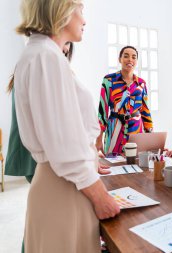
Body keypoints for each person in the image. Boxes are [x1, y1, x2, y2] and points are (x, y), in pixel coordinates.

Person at [13, 1, 120, 252]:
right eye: (80, 9)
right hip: (64, 188)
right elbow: (64, 146)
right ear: (60, 9)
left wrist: (90, 161)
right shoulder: (46, 57)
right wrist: (100, 196)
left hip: (63, 183)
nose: (84, 19)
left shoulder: (42, 54)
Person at [5, 41, 74, 183]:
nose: (66, 49)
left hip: (33, 146)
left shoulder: (31, 63)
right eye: (66, 43)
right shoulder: (39, 65)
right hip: (37, 146)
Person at [96, 46, 153, 156]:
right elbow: (102, 111)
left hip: (136, 131)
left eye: (134, 57)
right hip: (114, 131)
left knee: (137, 166)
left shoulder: (141, 83)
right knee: (113, 165)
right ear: (120, 59)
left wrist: (151, 138)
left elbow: (145, 112)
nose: (130, 59)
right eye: (126, 56)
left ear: (136, 61)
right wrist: (99, 139)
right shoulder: (109, 80)